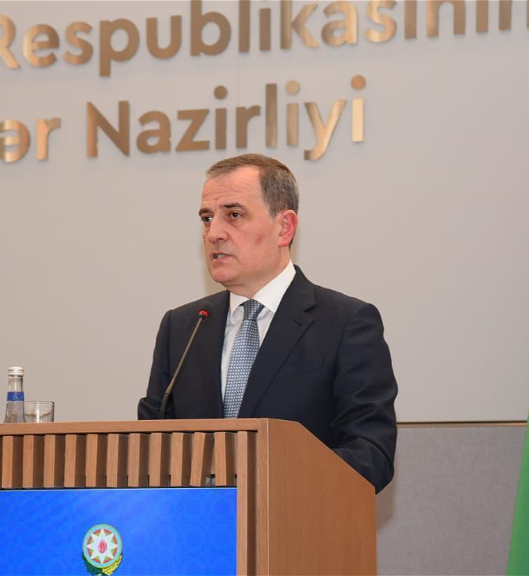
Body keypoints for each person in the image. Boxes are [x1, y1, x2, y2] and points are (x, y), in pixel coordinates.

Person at [137, 153, 398, 492]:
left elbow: (371, 455)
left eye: (234, 215)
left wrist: (266, 481)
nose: (214, 233)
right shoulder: (183, 328)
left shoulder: (346, 324)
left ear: (284, 227)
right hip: (197, 523)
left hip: (297, 520)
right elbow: (149, 445)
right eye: (207, 218)